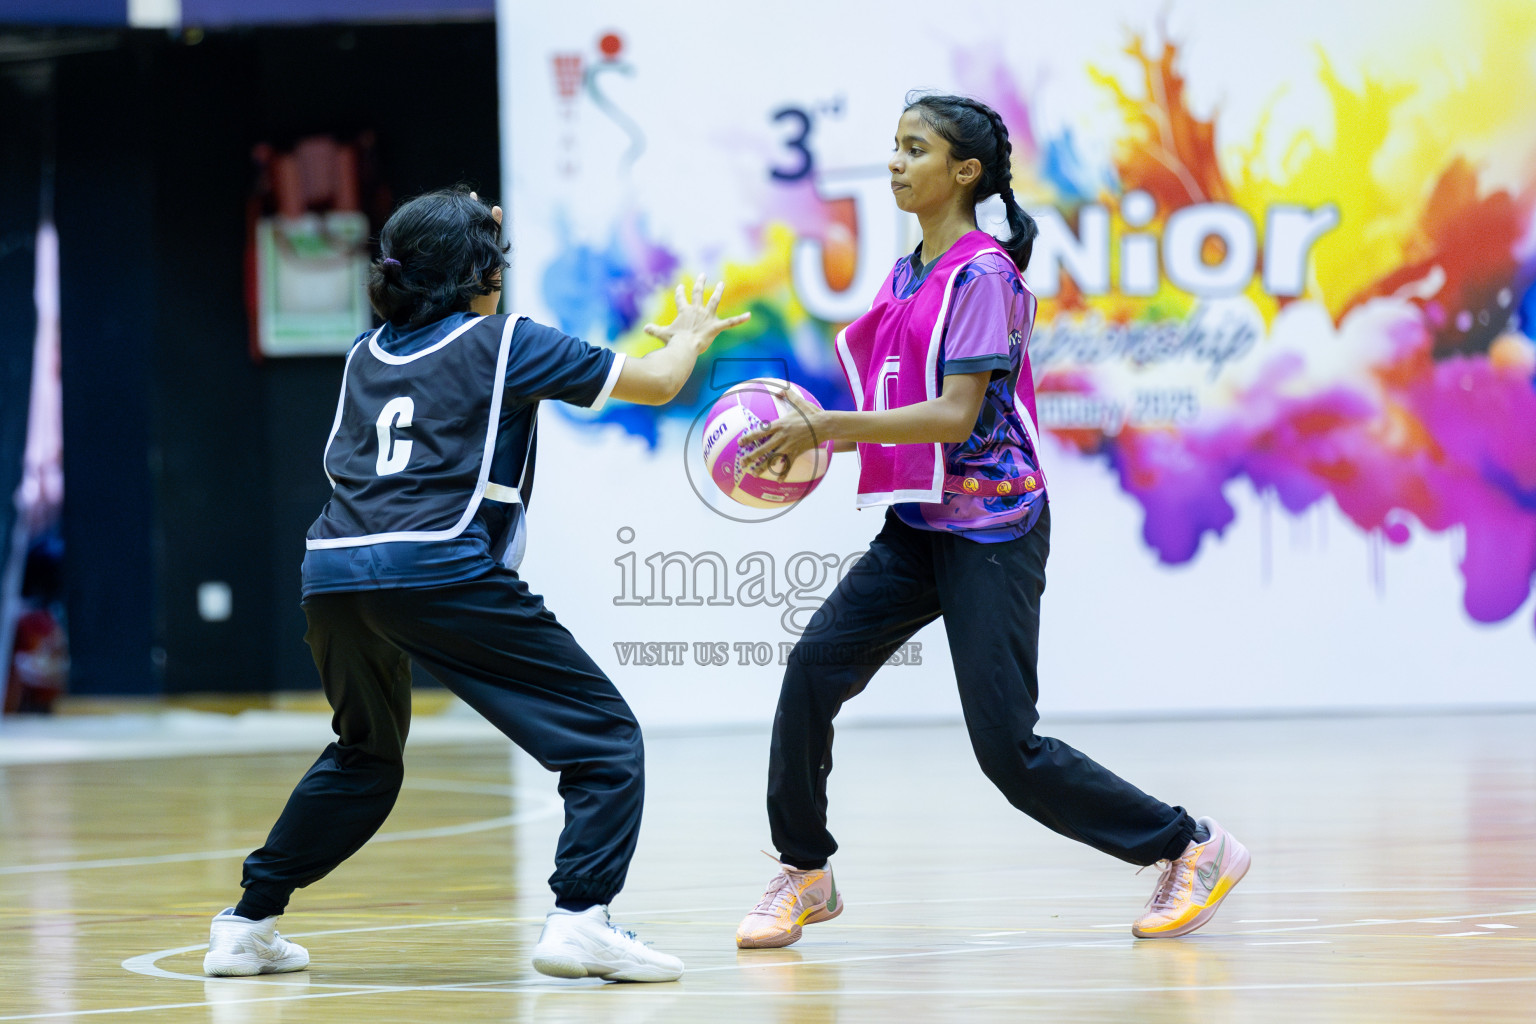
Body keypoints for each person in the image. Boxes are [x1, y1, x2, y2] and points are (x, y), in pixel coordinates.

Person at [733, 95, 1249, 949]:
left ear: (964, 171)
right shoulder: (908, 273)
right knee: (813, 671)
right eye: (892, 148)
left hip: (995, 527)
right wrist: (807, 429)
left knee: (1008, 751)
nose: (894, 163)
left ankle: (1190, 846)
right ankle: (806, 871)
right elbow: (898, 403)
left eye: (913, 149)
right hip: (921, 523)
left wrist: (828, 429)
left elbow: (952, 417)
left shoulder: (984, 276)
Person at [201, 187, 748, 983]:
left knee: (364, 758)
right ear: (479, 275)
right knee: (602, 739)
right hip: (433, 566)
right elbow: (661, 382)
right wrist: (692, 335)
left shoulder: (366, 353)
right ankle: (581, 917)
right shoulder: (506, 342)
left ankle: (247, 923)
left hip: (333, 573)